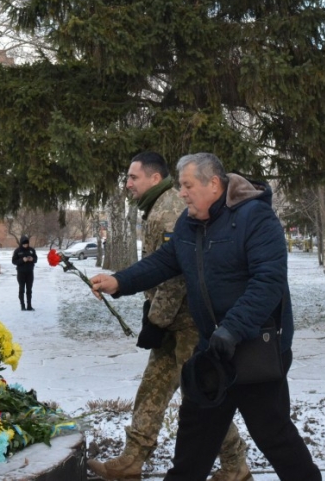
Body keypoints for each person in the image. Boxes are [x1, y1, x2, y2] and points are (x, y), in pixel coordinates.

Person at [90, 153, 322, 481]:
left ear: (213, 184)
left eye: (187, 185)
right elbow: (163, 262)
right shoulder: (189, 222)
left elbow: (267, 283)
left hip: (255, 349)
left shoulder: (256, 218)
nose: (181, 193)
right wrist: (119, 281)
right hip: (211, 351)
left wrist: (232, 330)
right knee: (194, 442)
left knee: (274, 436)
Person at [87, 152, 250, 481]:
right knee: (153, 389)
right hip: (170, 320)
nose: (128, 184)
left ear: (154, 177)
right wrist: (121, 283)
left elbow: (177, 275)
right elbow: (158, 267)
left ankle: (235, 465)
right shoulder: (156, 208)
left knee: (201, 395)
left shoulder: (170, 210)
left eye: (133, 177)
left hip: (187, 322)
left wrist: (156, 321)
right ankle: (133, 459)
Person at [12, 235, 38, 311]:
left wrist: (32, 259)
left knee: (29, 289)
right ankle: (22, 305)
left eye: (26, 244)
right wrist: (22, 260)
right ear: (21, 243)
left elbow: (36, 259)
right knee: (21, 289)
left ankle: (29, 305)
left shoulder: (32, 250)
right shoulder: (17, 251)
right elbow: (14, 261)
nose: (25, 245)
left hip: (30, 272)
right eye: (24, 244)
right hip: (21, 273)